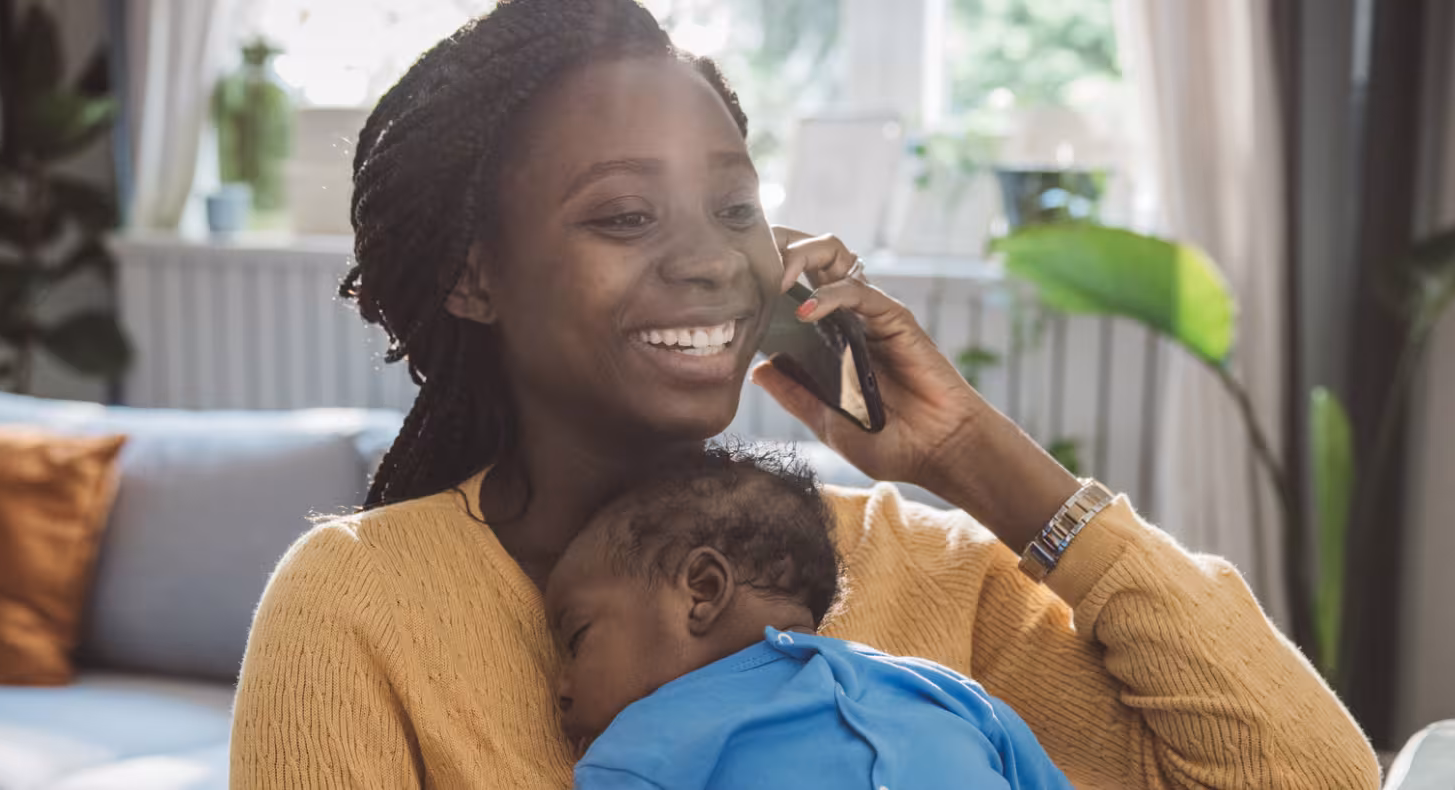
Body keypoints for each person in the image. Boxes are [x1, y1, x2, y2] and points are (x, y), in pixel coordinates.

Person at [230, 0, 1378, 787]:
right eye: (626, 215)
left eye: (734, 208)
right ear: (472, 275)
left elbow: (1309, 776)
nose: (709, 261)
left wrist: (971, 453)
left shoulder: (917, 569)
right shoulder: (360, 605)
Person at [545, 441, 1073, 790]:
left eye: (578, 637)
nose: (561, 686)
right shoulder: (945, 690)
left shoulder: (643, 746)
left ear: (702, 591)